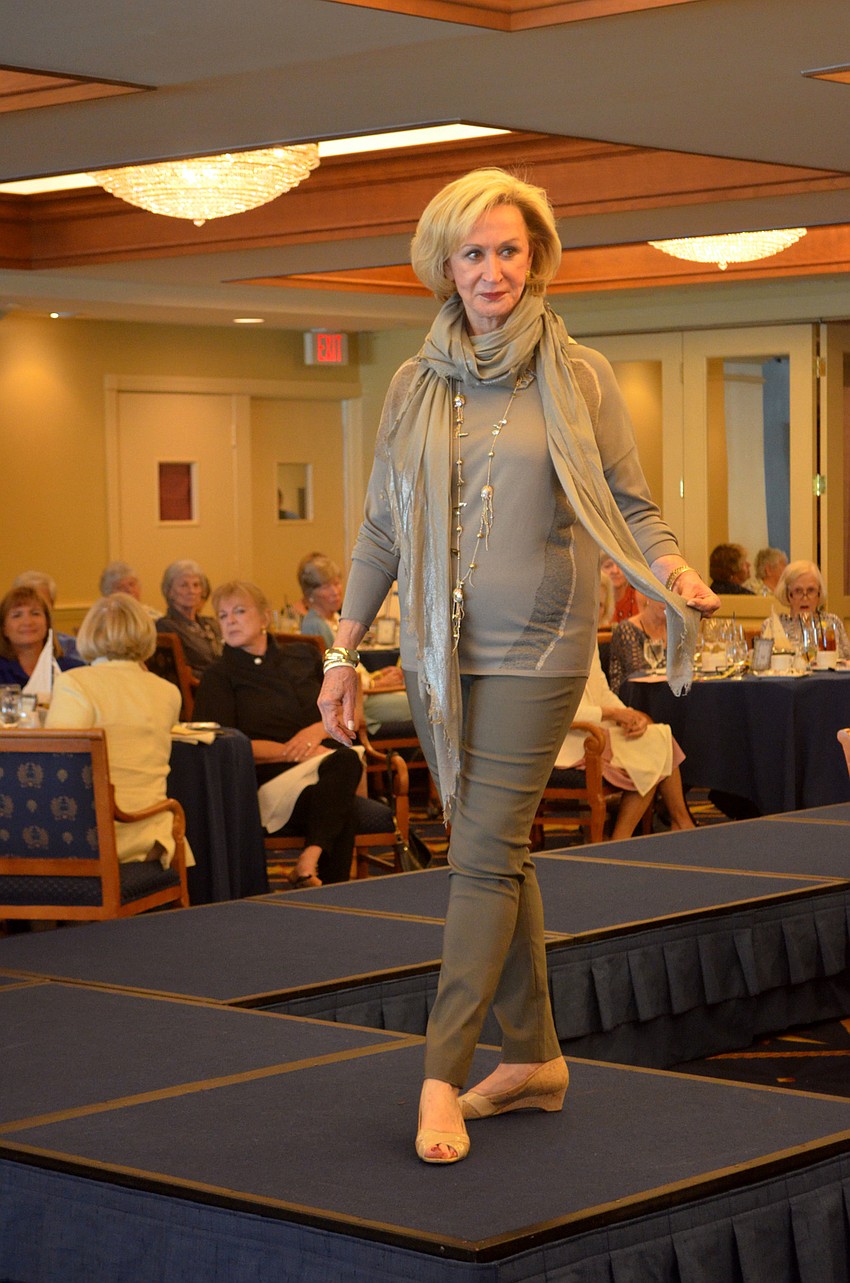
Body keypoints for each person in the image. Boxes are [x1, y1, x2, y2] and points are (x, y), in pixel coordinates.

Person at [315, 167, 719, 1165]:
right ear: (443, 266)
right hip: (440, 655)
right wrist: (339, 652)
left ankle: (439, 1073)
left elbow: (628, 502)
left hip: (542, 644)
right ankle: (535, 1057)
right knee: (497, 855)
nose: (492, 270)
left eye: (508, 249)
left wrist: (669, 567)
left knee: (481, 854)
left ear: (533, 257)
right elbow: (378, 529)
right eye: (473, 252)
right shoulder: (413, 384)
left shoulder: (578, 376)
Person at [193, 580, 364, 887]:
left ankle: (309, 868)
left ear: (265, 618)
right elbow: (221, 746)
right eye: (222, 615)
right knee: (343, 782)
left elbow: (345, 706)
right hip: (267, 777)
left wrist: (314, 732)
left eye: (239, 611)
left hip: (325, 767)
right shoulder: (219, 676)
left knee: (339, 777)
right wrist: (295, 752)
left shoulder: (303, 655)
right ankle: (327, 886)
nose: (230, 620)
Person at [45, 594, 191, 869]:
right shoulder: (168, 692)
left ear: (89, 633)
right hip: (153, 831)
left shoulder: (74, 683)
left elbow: (57, 764)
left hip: (90, 837)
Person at [556, 645, 695, 838]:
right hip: (564, 743)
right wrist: (614, 714)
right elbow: (558, 712)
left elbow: (602, 693)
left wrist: (629, 715)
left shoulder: (587, 637)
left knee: (659, 737)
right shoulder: (549, 644)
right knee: (655, 746)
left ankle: (676, 823)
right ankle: (628, 836)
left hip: (595, 733)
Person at [298, 551, 411, 731]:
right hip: (358, 702)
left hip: (365, 692)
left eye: (337, 583)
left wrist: (378, 675)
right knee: (421, 704)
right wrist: (377, 683)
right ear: (310, 593)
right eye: (326, 587)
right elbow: (334, 676)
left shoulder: (334, 618)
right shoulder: (315, 626)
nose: (335, 592)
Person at [0, 585, 83, 688]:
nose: (28, 622)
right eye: (17, 615)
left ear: (47, 623)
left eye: (35, 613)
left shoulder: (74, 671)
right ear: (4, 628)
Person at [764, 559, 850, 658]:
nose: (805, 598)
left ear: (819, 594)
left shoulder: (833, 622)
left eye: (811, 590)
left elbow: (847, 662)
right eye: (798, 591)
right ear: (788, 594)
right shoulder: (772, 625)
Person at [155, 559, 222, 678]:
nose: (191, 591)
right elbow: (180, 673)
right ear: (170, 591)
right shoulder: (166, 626)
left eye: (196, 585)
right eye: (184, 585)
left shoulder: (212, 624)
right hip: (200, 689)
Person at [12, 570, 81, 662]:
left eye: (37, 611)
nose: (28, 621)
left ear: (52, 607)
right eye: (20, 613)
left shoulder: (72, 647)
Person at [607, 592, 668, 695]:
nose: (665, 603)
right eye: (660, 596)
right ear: (648, 596)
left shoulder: (675, 630)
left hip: (665, 694)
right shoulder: (627, 629)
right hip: (633, 699)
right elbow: (639, 673)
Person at [600, 555, 638, 624]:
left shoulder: (638, 598)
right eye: (608, 566)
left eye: (620, 565)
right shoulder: (595, 601)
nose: (615, 571)